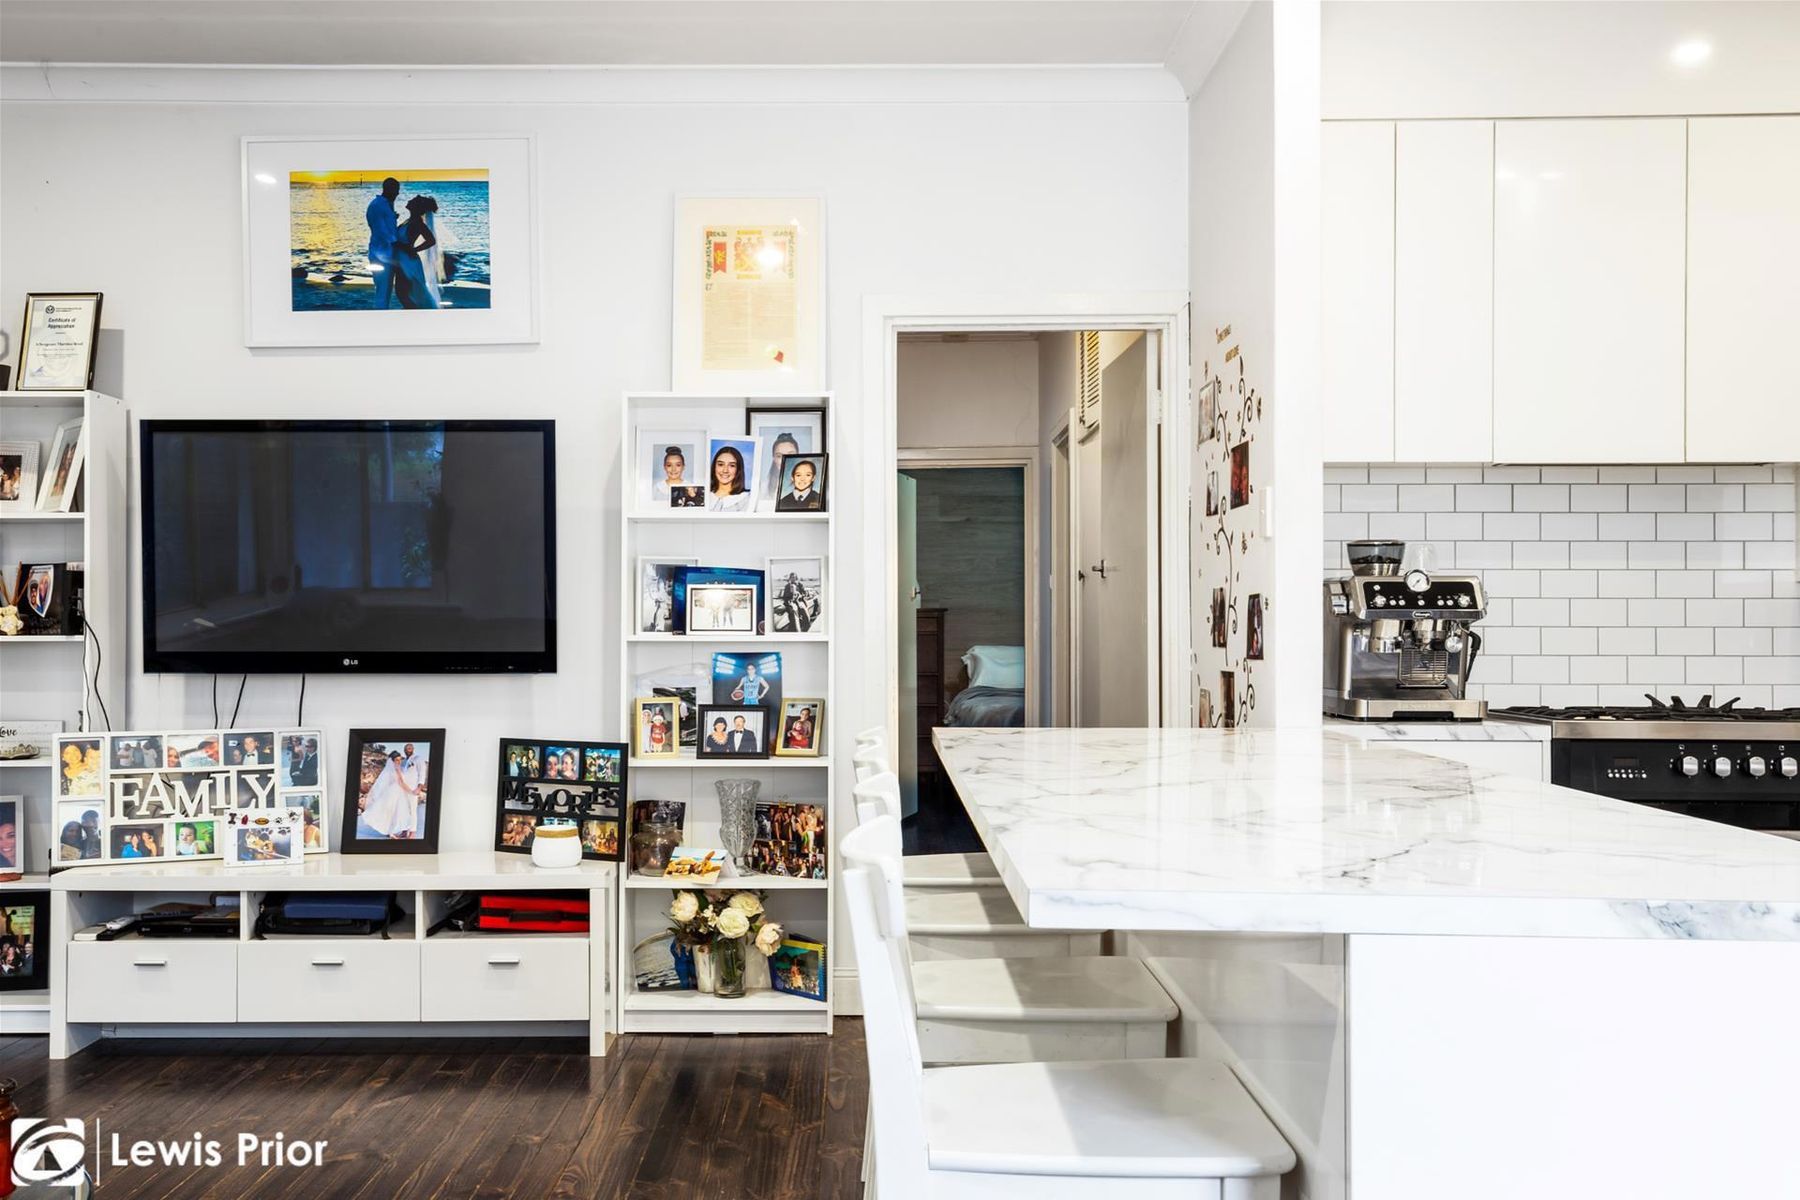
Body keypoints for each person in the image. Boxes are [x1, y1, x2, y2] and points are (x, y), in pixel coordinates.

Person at [393, 196, 443, 309]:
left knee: (402, 292)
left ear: (416, 207)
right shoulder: (410, 221)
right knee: (404, 293)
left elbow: (431, 240)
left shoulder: (417, 222)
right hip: (404, 259)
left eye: (413, 200)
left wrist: (414, 249)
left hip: (408, 262)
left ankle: (412, 311)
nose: (409, 200)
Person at [361, 749, 420, 839]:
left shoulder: (393, 769)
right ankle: (391, 832)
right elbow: (401, 783)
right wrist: (411, 791)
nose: (399, 761)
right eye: (396, 760)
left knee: (392, 812)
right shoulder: (396, 769)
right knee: (393, 813)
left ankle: (391, 832)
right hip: (395, 792)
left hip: (394, 791)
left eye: (400, 759)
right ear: (392, 760)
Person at [366, 176, 404, 309]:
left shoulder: (385, 204)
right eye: (396, 190)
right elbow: (381, 230)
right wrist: (398, 244)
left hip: (386, 253)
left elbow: (386, 227)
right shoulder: (378, 205)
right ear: (389, 189)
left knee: (385, 290)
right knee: (382, 289)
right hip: (381, 254)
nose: (398, 193)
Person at [707, 445, 753, 513]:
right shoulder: (704, 496)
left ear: (738, 469)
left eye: (732, 465)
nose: (725, 470)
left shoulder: (748, 498)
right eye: (720, 464)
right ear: (714, 467)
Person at [761, 432, 800, 504]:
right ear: (774, 458)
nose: (785, 460)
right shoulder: (763, 488)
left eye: (790, 455)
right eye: (779, 456)